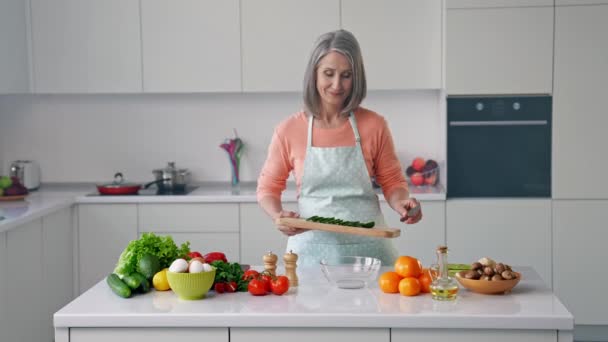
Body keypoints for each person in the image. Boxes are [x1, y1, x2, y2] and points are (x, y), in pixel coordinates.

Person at [256, 29, 422, 267]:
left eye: (346, 75)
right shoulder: (289, 129)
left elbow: (393, 182)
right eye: (328, 73)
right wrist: (278, 215)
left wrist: (402, 204)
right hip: (310, 253)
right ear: (314, 74)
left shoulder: (374, 125)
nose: (337, 85)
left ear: (357, 78)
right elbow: (267, 188)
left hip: (370, 252)